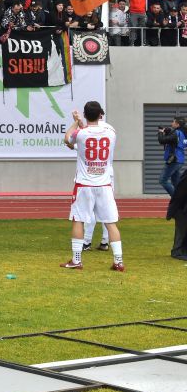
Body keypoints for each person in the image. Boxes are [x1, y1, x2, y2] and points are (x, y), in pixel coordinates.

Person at [60, 101, 125, 272]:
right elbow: (95, 131)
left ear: (85, 114)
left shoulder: (81, 133)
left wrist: (75, 120)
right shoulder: (111, 133)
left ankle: (76, 260)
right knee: (110, 223)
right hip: (104, 184)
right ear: (101, 115)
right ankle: (118, 261)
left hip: (84, 184)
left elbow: (67, 139)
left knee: (78, 219)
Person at [156, 116, 187, 197]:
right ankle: (183, 201)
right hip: (180, 160)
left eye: (173, 122)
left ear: (177, 124)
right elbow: (173, 137)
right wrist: (166, 130)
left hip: (174, 160)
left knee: (163, 180)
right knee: (176, 182)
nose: (171, 123)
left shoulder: (176, 133)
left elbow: (162, 140)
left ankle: (177, 200)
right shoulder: (183, 133)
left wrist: (160, 132)